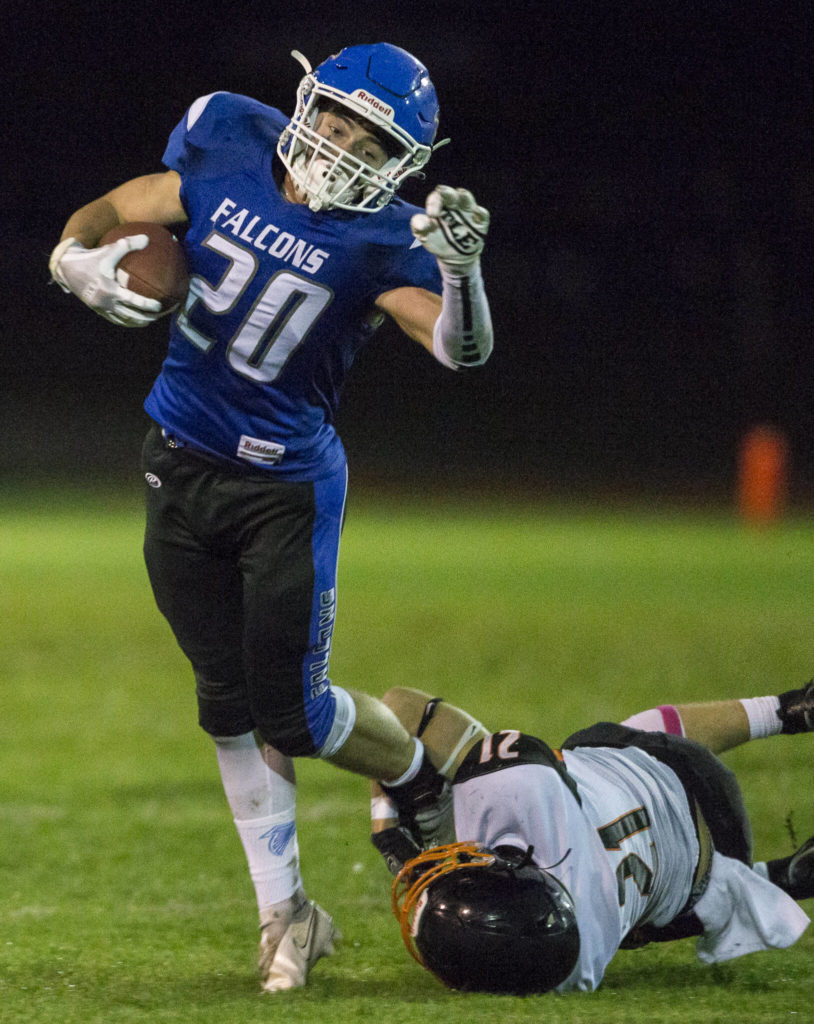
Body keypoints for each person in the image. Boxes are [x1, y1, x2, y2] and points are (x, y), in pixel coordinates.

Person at [48, 43, 492, 992]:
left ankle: (415, 772)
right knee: (224, 702)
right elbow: (123, 205)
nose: (341, 148)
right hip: (175, 461)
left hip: (284, 488)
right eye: (336, 121)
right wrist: (69, 255)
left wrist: (464, 275)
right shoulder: (229, 137)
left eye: (372, 142)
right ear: (306, 102)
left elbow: (458, 350)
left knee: (291, 710)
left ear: (403, 161)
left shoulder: (386, 237)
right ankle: (286, 914)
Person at [370, 680, 814, 994]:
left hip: (703, 879)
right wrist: (388, 831)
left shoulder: (576, 970)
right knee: (602, 745)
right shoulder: (522, 790)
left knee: (638, 924)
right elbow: (397, 708)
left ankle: (779, 878)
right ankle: (788, 710)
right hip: (690, 778)